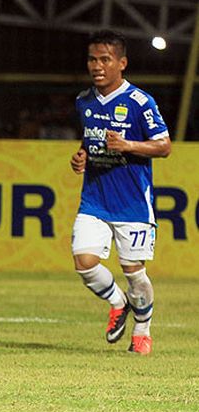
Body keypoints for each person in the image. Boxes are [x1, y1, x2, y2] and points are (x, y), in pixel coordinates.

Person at [69, 30, 170, 355]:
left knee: (133, 272)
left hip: (132, 204)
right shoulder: (84, 100)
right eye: (92, 59)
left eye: (105, 59)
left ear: (121, 63)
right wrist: (81, 155)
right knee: (84, 262)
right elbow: (91, 140)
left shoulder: (141, 102)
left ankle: (143, 330)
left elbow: (164, 146)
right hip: (95, 198)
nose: (97, 66)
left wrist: (128, 145)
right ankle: (117, 302)